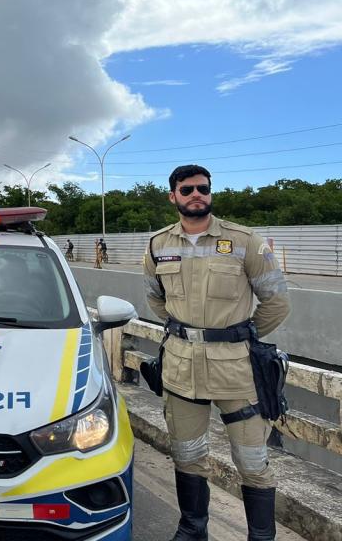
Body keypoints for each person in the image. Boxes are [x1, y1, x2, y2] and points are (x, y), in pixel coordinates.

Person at [143, 165, 290, 541]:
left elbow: (276, 300)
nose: (197, 195)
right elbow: (156, 300)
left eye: (203, 189)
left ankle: (261, 536)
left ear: (210, 193)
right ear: (173, 196)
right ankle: (192, 529)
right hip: (180, 368)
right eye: (187, 189)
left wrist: (241, 335)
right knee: (187, 453)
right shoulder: (158, 245)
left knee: (252, 460)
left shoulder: (244, 241)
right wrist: (188, 332)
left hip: (236, 370)